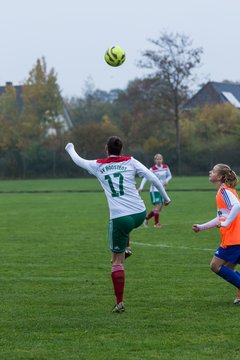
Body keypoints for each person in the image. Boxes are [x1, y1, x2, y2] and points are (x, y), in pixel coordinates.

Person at [65, 136, 171, 313]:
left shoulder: (99, 165)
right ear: (122, 149)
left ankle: (119, 302)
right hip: (139, 213)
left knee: (116, 261)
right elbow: (152, 177)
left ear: (106, 148)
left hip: (120, 218)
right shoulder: (131, 161)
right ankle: (126, 248)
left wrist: (70, 148)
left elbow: (78, 160)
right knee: (126, 230)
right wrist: (166, 198)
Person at [192, 163, 240, 304]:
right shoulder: (222, 191)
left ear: (220, 177)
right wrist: (202, 227)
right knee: (228, 268)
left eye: (213, 171)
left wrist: (225, 224)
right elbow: (221, 216)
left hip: (234, 237)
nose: (210, 172)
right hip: (233, 236)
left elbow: (237, 206)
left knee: (215, 265)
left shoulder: (225, 191)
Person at [138, 153, 172, 228]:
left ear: (162, 160)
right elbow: (145, 178)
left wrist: (167, 180)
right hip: (154, 190)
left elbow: (170, 175)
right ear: (155, 160)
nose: (159, 160)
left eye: (160, 159)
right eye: (157, 159)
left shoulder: (166, 167)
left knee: (159, 208)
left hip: (162, 190)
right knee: (158, 206)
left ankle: (146, 219)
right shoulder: (152, 169)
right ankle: (156, 224)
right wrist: (141, 187)